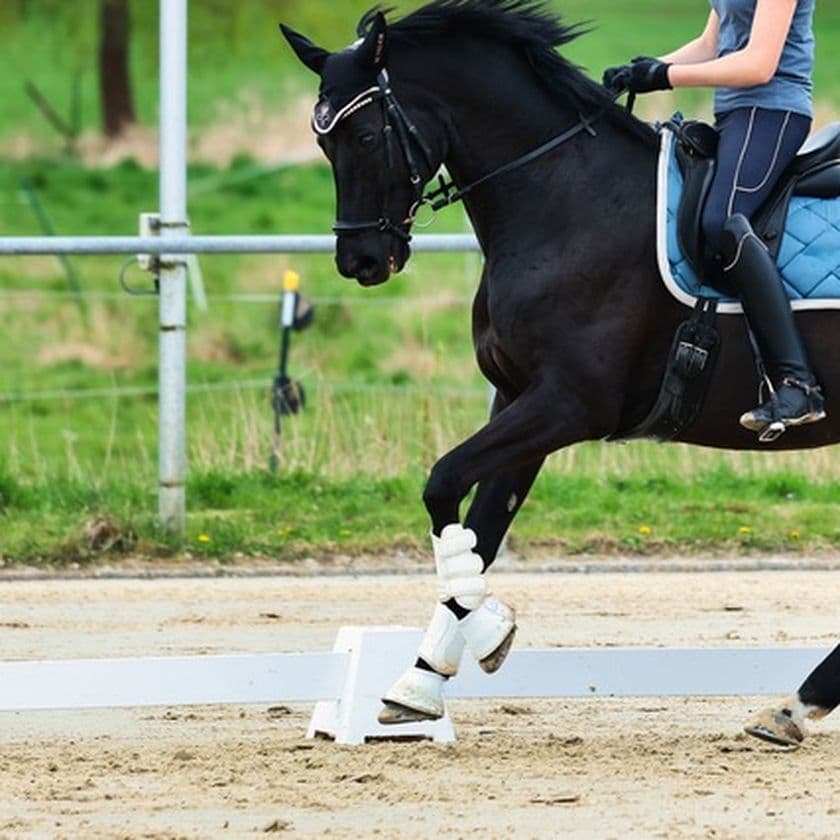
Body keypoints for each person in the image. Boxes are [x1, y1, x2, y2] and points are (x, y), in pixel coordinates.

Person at [604, 0, 826, 440]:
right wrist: (644, 69)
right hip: (737, 116)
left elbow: (758, 66)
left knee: (724, 219)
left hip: (774, 111)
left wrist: (666, 77)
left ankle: (797, 384)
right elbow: (711, 42)